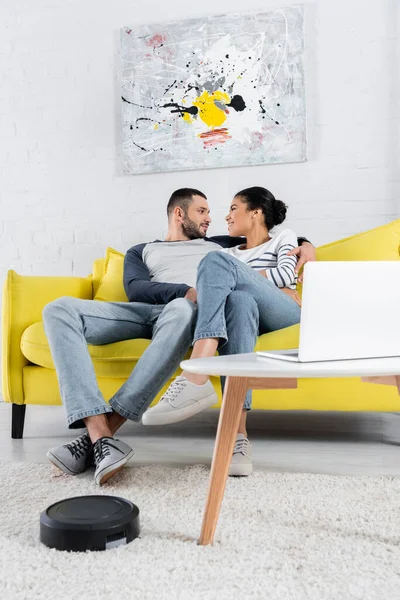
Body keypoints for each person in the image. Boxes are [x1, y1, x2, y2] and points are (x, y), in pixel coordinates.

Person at [44, 188, 314, 485]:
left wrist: (306, 245)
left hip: (186, 312)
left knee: (185, 309)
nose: (210, 219)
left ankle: (103, 437)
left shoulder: (216, 245)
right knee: (58, 309)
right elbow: (135, 288)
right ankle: (99, 433)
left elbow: (264, 236)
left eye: (213, 212)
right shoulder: (141, 250)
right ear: (179, 213)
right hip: (144, 312)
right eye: (202, 212)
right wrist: (184, 290)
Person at [144, 187, 302, 476]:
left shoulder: (284, 237)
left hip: (283, 309)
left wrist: (242, 277)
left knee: (218, 267)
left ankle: (196, 373)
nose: (225, 216)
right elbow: (225, 289)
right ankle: (237, 437)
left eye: (233, 208)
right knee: (239, 301)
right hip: (250, 312)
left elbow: (286, 274)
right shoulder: (227, 251)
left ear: (255, 213)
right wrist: (239, 279)